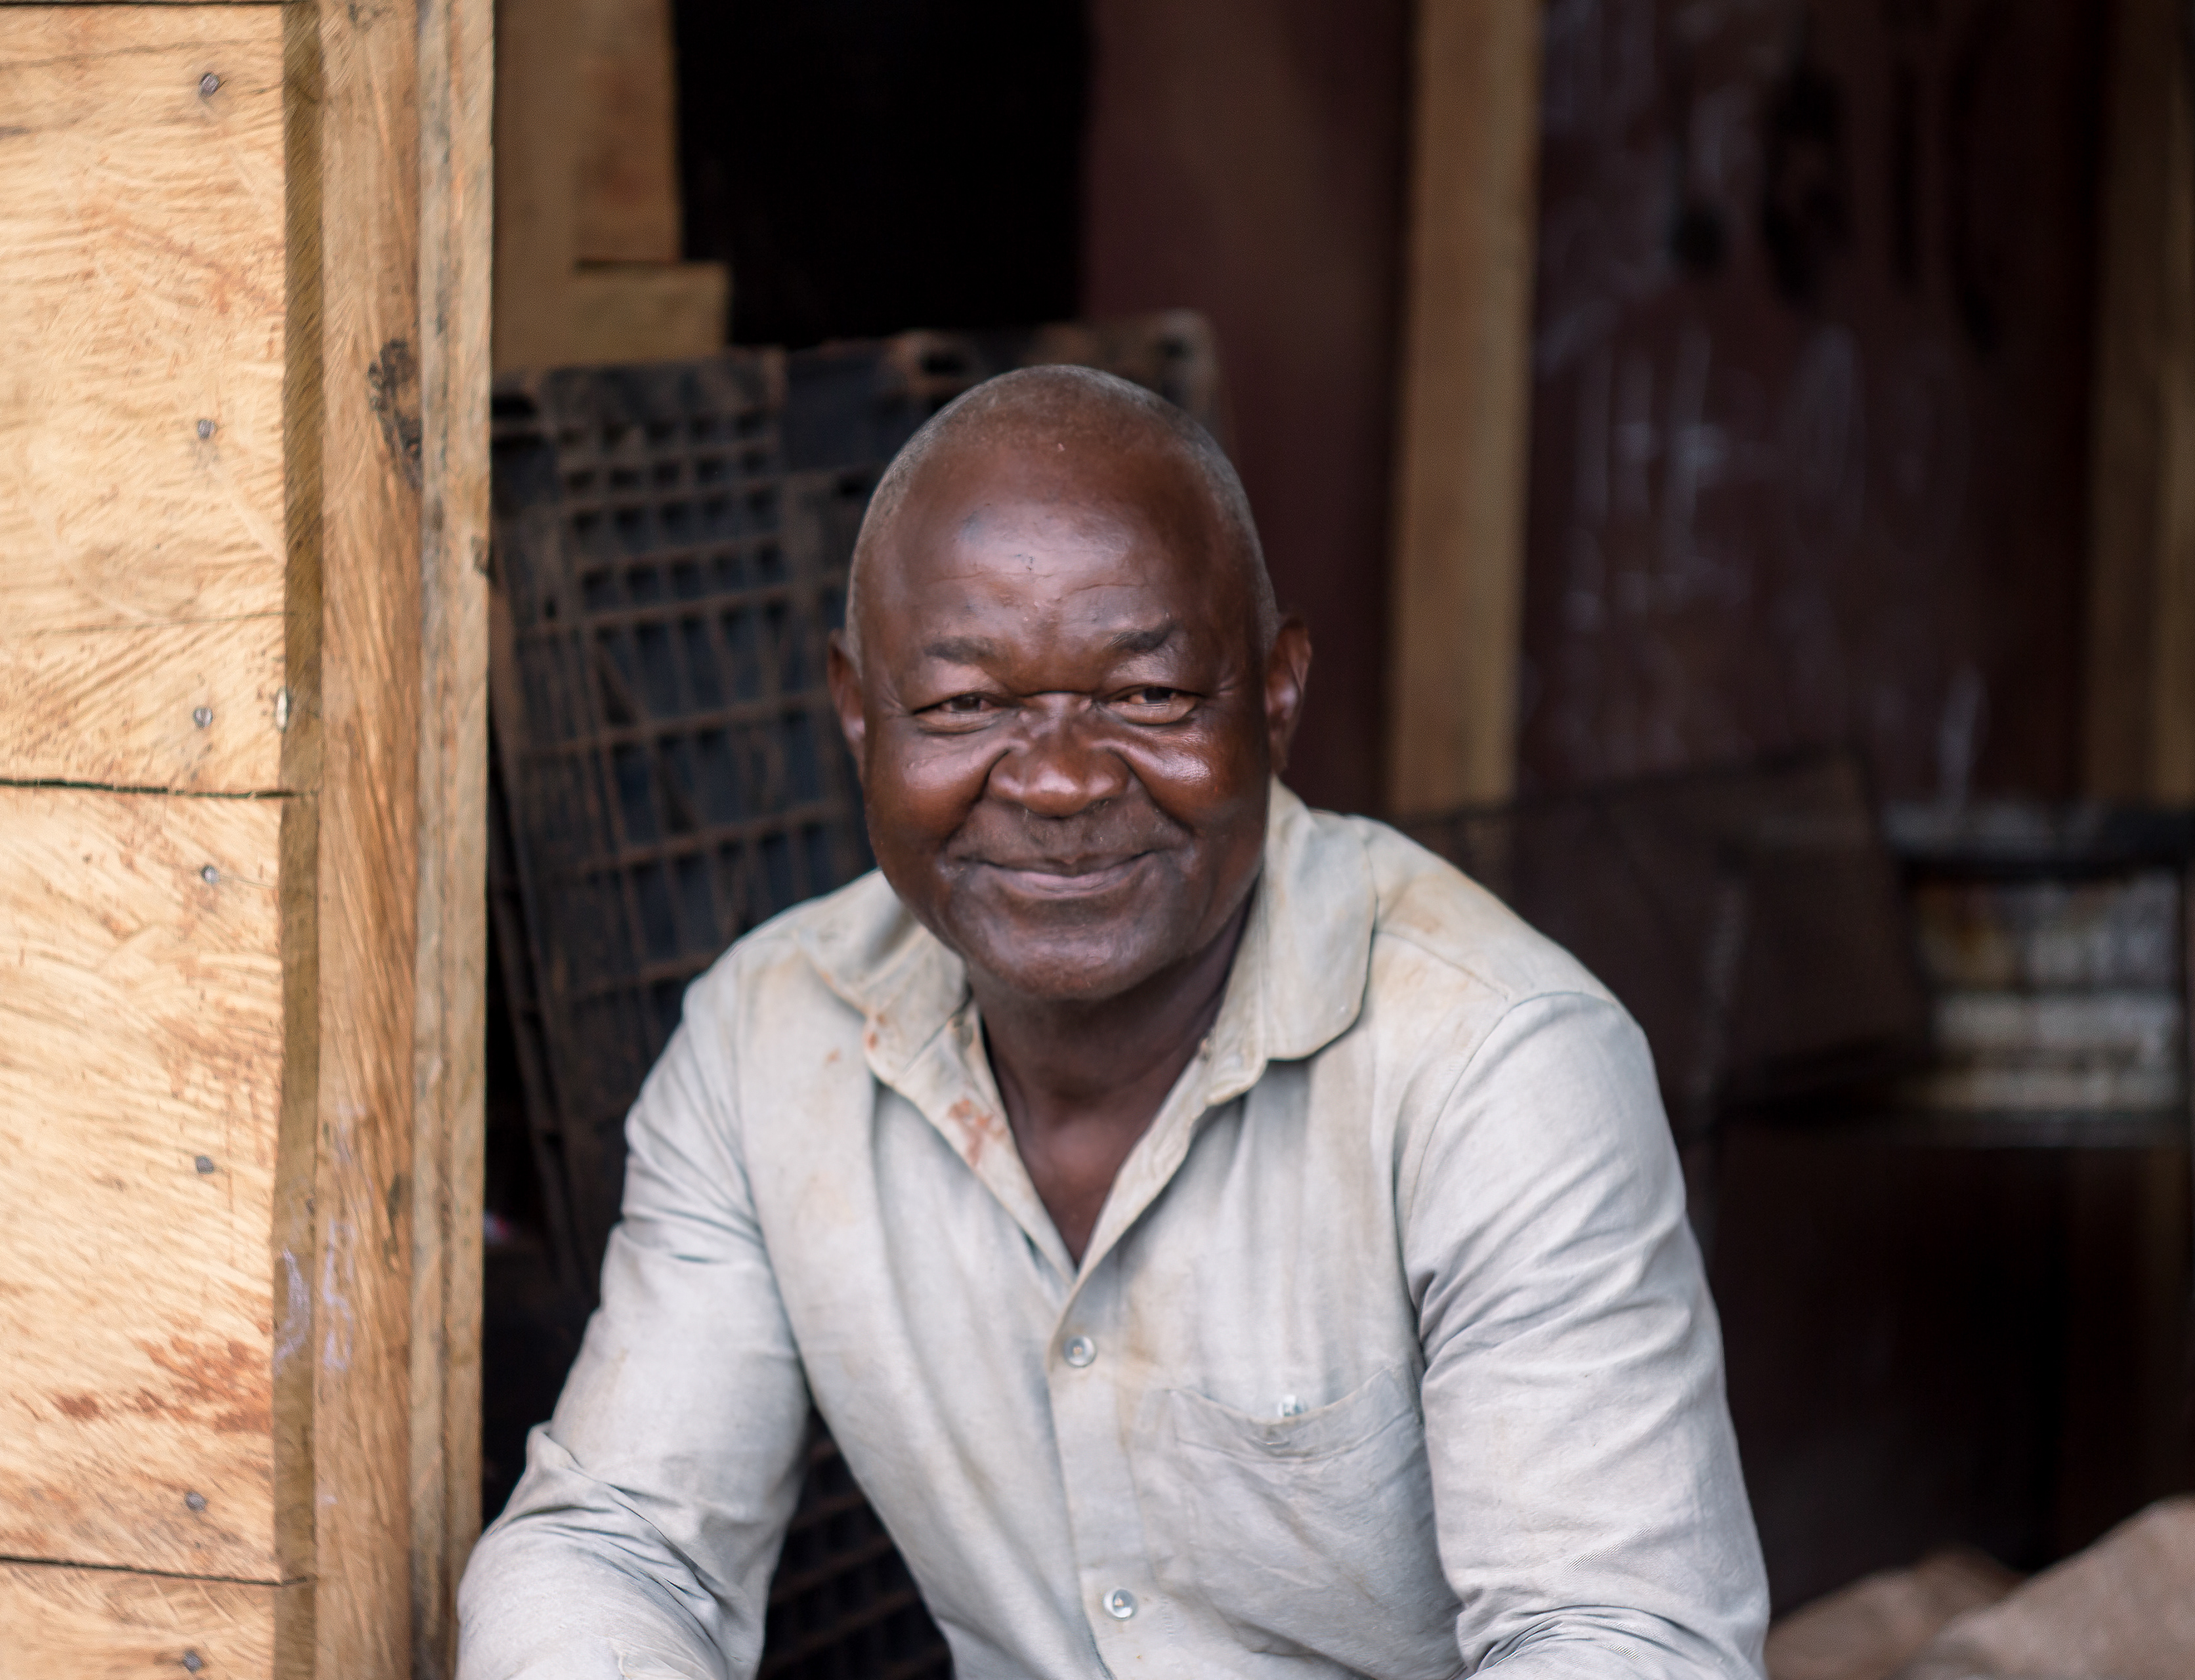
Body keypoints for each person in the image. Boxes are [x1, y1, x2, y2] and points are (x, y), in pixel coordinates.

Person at [457, 366, 1768, 1679]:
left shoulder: (1496, 1068)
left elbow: (1618, 1639)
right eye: (965, 706)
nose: (1060, 782)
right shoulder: (770, 1041)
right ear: (858, 712)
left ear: (1277, 692)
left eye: (1148, 697)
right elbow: (621, 1544)